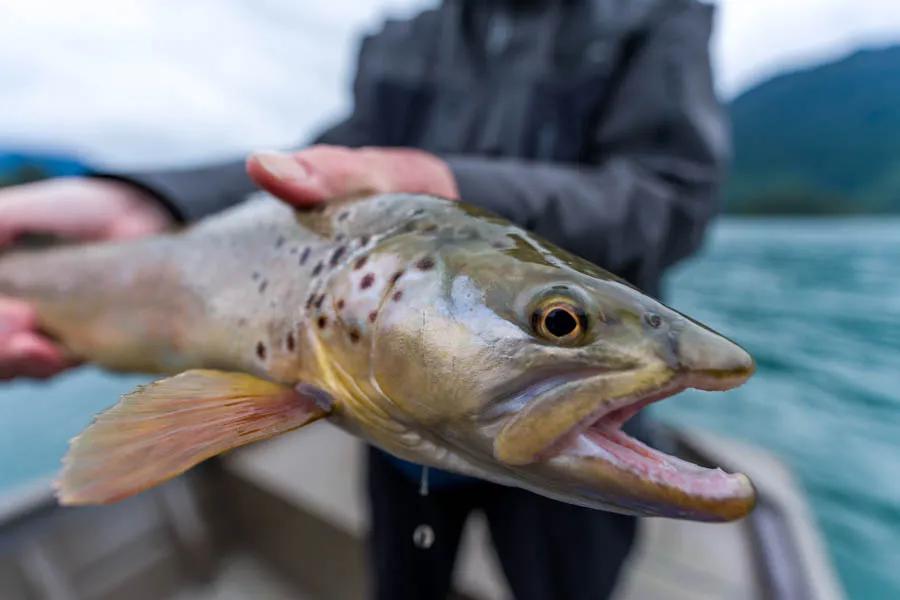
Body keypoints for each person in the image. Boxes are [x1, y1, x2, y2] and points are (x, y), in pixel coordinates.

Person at [0, 0, 727, 597]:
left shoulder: (656, 15)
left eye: (558, 321)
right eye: (559, 321)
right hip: (395, 431)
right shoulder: (404, 39)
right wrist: (145, 199)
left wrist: (437, 178)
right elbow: (315, 174)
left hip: (570, 432)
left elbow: (667, 198)